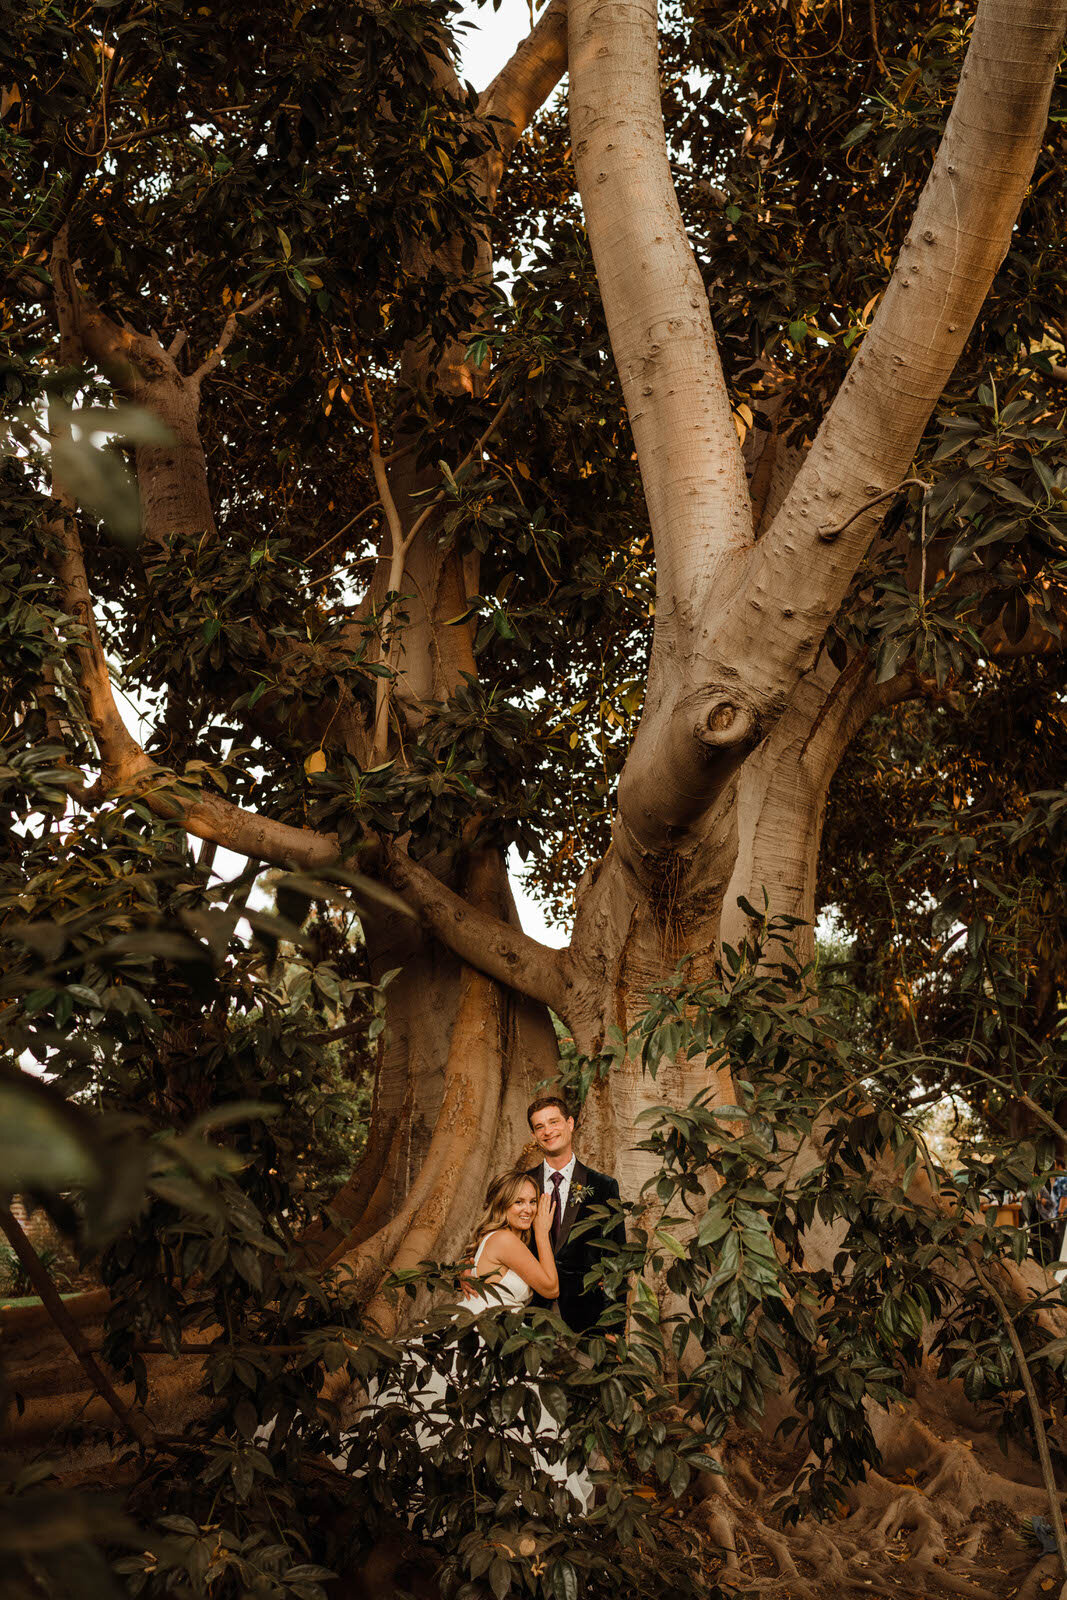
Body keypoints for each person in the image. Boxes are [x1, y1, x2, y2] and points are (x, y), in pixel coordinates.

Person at [373, 1170, 594, 1511]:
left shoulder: (499, 1239)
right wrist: (543, 1233)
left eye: (533, 1202)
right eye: (519, 1202)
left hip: (493, 1340)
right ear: (501, 1205)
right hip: (484, 1343)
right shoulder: (506, 1240)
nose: (528, 1209)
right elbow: (550, 1288)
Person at [524, 1094, 626, 1336]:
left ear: (570, 1124)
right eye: (540, 1127)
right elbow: (497, 1234)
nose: (548, 1131)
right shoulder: (523, 1184)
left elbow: (617, 1258)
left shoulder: (603, 1186)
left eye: (554, 1122)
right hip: (531, 1314)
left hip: (587, 1317)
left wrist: (615, 1329)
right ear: (534, 1136)